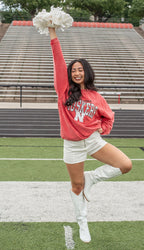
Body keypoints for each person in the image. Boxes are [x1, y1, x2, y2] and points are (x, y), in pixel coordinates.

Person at [49, 27, 132, 243]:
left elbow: (109, 116)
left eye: (80, 70)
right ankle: (82, 221)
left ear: (87, 71)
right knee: (76, 187)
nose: (76, 73)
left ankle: (92, 178)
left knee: (125, 165)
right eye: (73, 70)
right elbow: (58, 61)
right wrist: (52, 33)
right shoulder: (64, 91)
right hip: (73, 145)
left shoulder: (96, 96)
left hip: (94, 142)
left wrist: (102, 130)